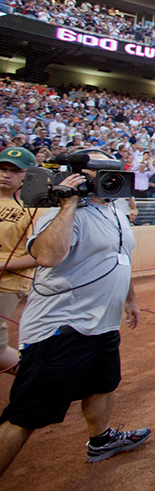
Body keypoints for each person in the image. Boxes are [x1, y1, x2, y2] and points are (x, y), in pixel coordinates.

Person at [0, 149, 149, 474]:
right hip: (61, 329)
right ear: (80, 175)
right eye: (101, 170)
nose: (112, 176)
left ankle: (101, 441)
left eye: (114, 169)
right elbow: (48, 256)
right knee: (26, 414)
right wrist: (67, 204)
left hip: (103, 325)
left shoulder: (117, 212)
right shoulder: (63, 213)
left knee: (103, 384)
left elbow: (119, 257)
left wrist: (130, 298)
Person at [0, 148, 38, 375]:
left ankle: (37, 379)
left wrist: (4, 266)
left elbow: (40, 255)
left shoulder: (33, 207)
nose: (6, 175)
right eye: (3, 169)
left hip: (7, 282)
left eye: (15, 171)